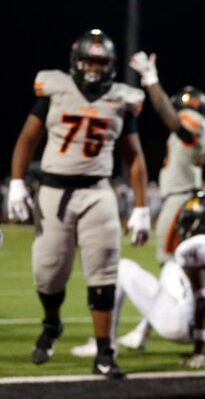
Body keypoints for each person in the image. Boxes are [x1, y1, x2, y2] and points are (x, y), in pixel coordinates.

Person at [8, 29, 149, 378]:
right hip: (54, 192)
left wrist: (142, 206)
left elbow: (135, 157)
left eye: (101, 62)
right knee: (48, 273)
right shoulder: (54, 88)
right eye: (88, 60)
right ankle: (52, 324)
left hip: (98, 192)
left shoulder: (122, 98)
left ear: (111, 66)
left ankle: (104, 352)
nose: (93, 69)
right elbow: (28, 138)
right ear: (75, 61)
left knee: (103, 271)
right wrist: (16, 182)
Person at [71, 193, 205, 366]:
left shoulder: (194, 248)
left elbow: (204, 299)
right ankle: (140, 333)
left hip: (182, 326)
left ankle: (105, 343)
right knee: (171, 268)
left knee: (122, 267)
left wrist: (199, 353)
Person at [113, 51, 205, 350]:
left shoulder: (193, 121)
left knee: (172, 265)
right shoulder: (201, 126)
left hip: (181, 199)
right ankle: (146, 330)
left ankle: (164, 327)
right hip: (184, 197)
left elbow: (171, 119)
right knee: (173, 266)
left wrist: (151, 80)